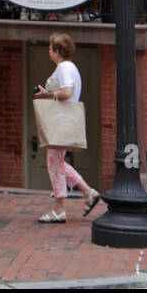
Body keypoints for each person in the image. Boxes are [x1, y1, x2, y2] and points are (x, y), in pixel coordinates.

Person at [33, 33, 100, 223]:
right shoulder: (70, 68)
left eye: (50, 49)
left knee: (54, 163)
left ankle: (60, 208)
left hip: (60, 119)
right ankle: (88, 192)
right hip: (64, 119)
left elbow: (67, 93)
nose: (49, 52)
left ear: (57, 51)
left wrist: (48, 94)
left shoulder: (63, 67)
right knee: (58, 162)